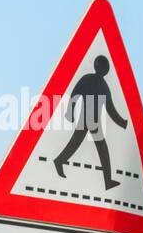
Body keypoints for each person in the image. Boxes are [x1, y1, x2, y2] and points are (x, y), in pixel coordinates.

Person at [53, 54, 126, 190]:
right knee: (97, 147)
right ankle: (107, 180)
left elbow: (110, 108)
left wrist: (123, 123)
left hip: (92, 121)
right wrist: (70, 112)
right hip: (89, 120)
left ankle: (60, 160)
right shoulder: (91, 81)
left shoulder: (99, 84)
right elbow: (75, 95)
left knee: (79, 144)